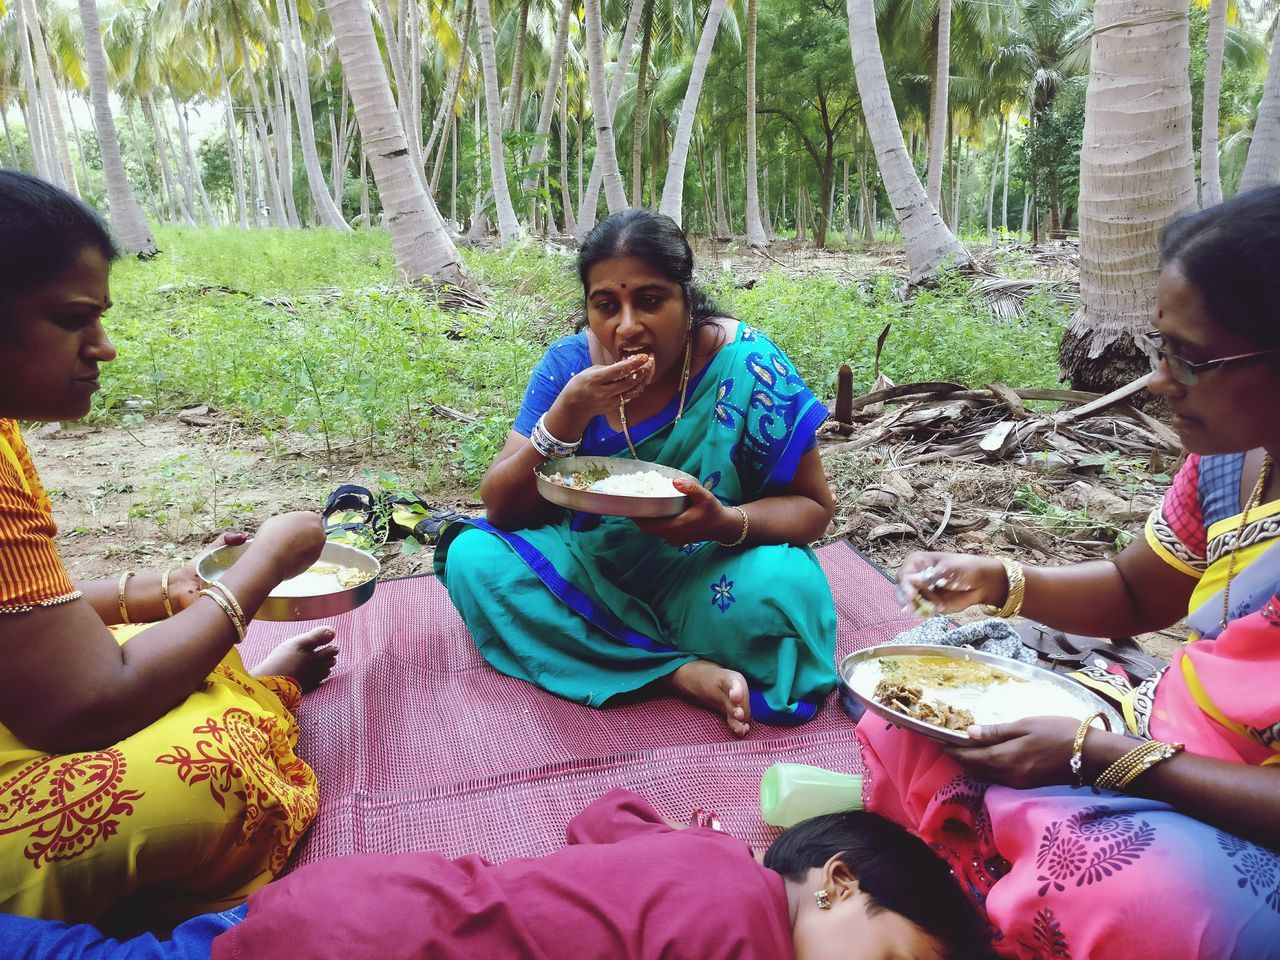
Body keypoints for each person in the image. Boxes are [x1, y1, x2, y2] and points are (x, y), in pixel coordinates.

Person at [870, 187, 1280, 958]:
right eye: (1163, 349)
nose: (1160, 382)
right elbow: (1136, 589)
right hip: (1156, 730)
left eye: (1190, 360)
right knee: (920, 682)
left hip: (1240, 813)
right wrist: (998, 579)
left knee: (1116, 890)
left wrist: (1098, 756)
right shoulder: (1229, 466)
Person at [0, 171, 339, 926]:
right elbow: (83, 707)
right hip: (66, 713)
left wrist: (163, 588)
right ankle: (260, 701)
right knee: (211, 773)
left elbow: (23, 615)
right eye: (70, 319)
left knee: (172, 642)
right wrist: (261, 569)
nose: (104, 348)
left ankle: (246, 686)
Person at [434, 210, 837, 735]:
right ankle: (677, 673)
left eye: (650, 301)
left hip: (706, 570)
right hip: (589, 567)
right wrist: (567, 414)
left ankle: (599, 645)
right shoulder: (569, 368)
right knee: (473, 558)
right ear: (587, 309)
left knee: (788, 590)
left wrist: (722, 522)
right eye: (606, 306)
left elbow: (813, 510)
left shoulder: (749, 366)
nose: (627, 326)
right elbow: (502, 509)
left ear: (686, 300)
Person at [0, 789, 995, 960]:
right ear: (836, 883)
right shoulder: (735, 934)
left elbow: (598, 822)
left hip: (367, 905)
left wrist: (681, 831)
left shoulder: (705, 866)